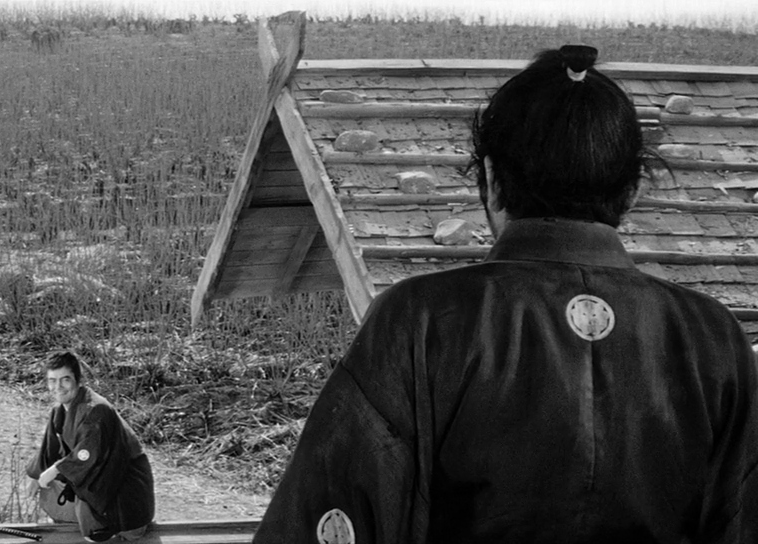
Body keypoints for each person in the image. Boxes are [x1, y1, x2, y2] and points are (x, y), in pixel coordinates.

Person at [254, 45, 756, 543]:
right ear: (633, 190)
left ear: (492, 180)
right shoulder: (712, 335)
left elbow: (333, 511)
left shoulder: (421, 319)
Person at [26, 351, 155, 542]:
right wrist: (36, 475)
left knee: (57, 477)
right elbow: (49, 450)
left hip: (124, 495)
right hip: (99, 488)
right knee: (47, 486)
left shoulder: (96, 409)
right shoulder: (59, 411)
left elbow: (87, 456)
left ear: (78, 380)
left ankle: (108, 530)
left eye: (65, 380)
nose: (58, 387)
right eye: (52, 380)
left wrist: (55, 470)